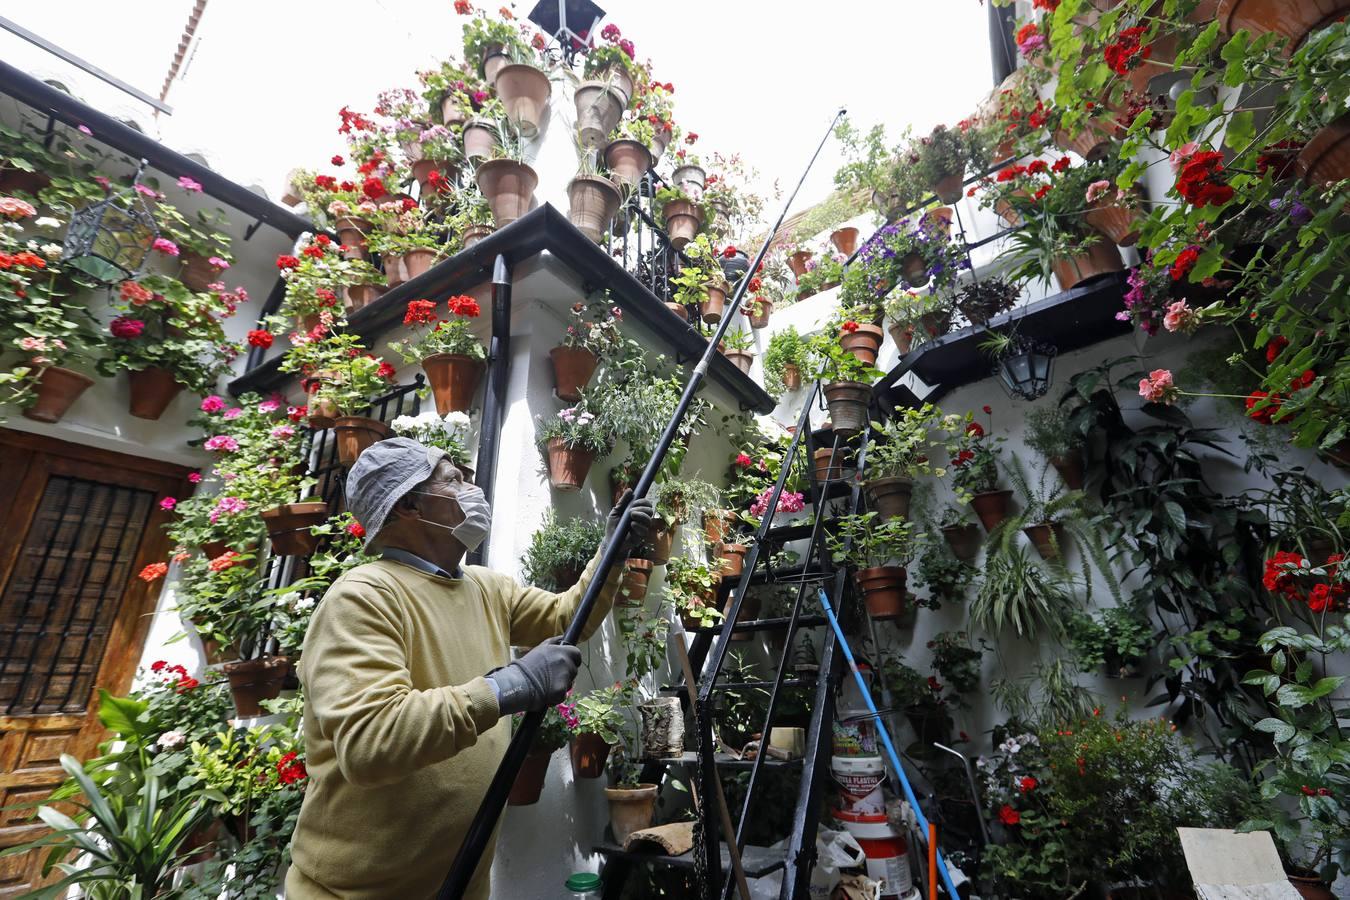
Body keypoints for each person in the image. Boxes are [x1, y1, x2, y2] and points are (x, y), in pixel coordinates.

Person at [285, 437, 654, 899]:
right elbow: (371, 740)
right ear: (409, 505)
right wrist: (510, 685)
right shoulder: (364, 596)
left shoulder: (484, 586)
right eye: (453, 479)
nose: (469, 488)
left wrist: (611, 552)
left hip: (462, 882)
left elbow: (566, 618)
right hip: (356, 893)